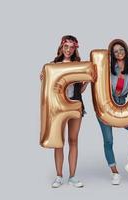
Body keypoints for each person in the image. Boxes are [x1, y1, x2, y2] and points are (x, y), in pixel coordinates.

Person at [40, 35, 87, 188]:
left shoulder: (78, 65)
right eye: (66, 46)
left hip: (74, 104)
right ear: (61, 47)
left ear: (75, 49)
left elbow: (80, 90)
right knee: (58, 142)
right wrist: (43, 78)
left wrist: (85, 83)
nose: (68, 50)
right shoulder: (53, 65)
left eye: (71, 47)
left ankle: (72, 176)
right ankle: (59, 176)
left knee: (73, 141)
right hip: (58, 108)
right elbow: (48, 87)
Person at [97, 39, 128, 185]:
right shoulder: (107, 68)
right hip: (105, 105)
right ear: (112, 54)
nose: (119, 53)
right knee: (108, 140)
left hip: (122, 105)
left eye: (121, 50)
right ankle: (115, 173)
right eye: (116, 51)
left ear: (126, 50)